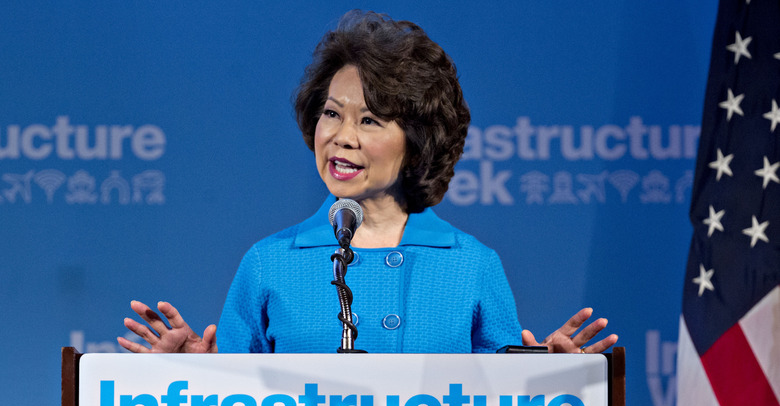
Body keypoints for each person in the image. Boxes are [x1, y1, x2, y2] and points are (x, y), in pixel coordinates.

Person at [118, 10, 617, 355]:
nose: (341, 138)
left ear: (418, 141)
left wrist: (550, 377)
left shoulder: (472, 266)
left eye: (371, 121)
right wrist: (188, 374)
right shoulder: (269, 263)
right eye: (332, 113)